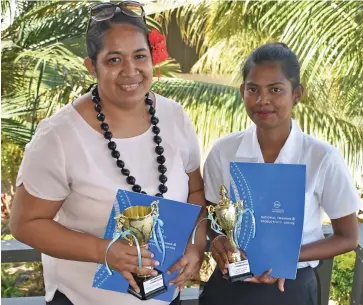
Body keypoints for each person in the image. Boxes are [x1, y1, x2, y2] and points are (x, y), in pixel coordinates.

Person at [10, 2, 207, 305]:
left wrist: (196, 244)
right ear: (92, 66)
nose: (130, 71)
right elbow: (25, 224)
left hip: (166, 296)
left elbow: (195, 190)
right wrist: (104, 250)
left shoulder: (174, 117)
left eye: (139, 56)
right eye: (114, 59)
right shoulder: (59, 136)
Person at [200, 43, 360, 305]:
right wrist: (218, 241)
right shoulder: (223, 151)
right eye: (253, 89)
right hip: (231, 283)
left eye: (275, 90)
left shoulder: (321, 157)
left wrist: (285, 258)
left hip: (291, 287)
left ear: (296, 94)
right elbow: (212, 220)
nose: (263, 100)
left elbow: (348, 237)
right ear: (243, 92)